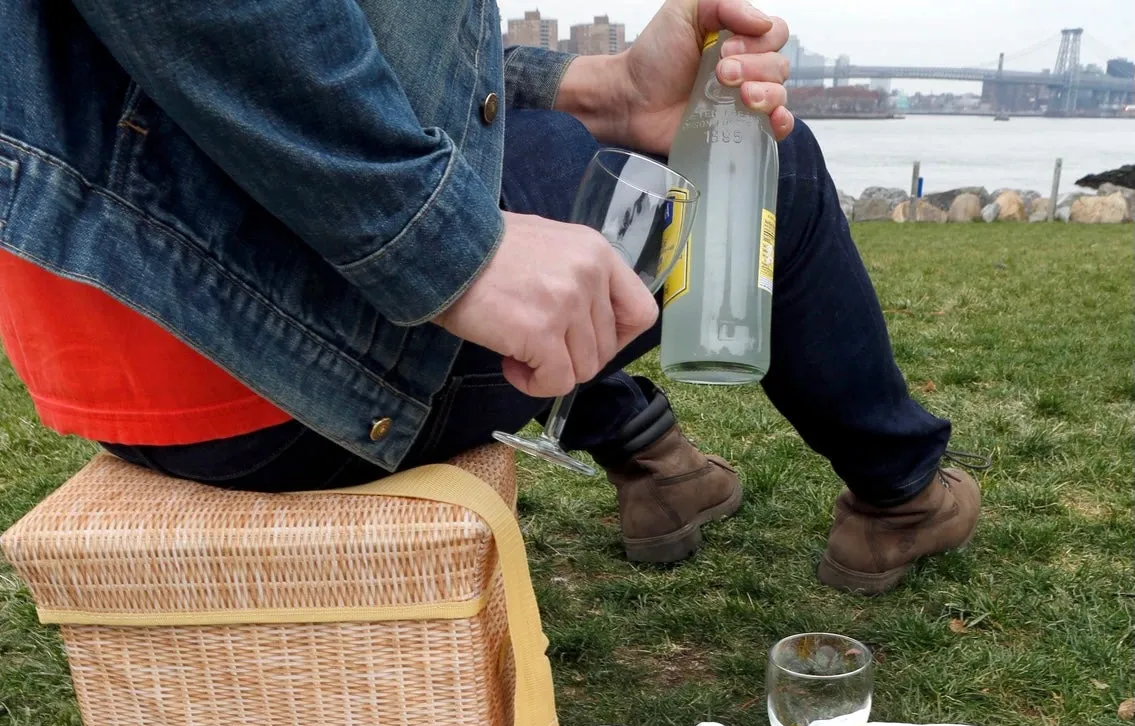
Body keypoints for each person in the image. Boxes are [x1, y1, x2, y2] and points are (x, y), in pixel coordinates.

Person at [0, 0, 980, 594]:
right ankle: (898, 494)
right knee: (766, 164)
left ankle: (653, 459)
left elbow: (334, 53)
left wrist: (596, 86)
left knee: (564, 213)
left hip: (127, 354)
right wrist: (449, 249)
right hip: (272, 350)